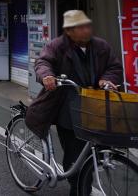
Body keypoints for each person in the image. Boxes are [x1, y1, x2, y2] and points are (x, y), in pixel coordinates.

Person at [25, 10, 123, 196]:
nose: (86, 30)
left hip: (94, 104)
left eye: (88, 26)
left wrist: (106, 79)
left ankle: (85, 176)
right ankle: (77, 187)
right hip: (66, 104)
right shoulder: (57, 46)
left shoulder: (101, 46)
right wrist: (47, 76)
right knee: (74, 150)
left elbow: (114, 66)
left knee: (98, 145)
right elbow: (43, 61)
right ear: (69, 31)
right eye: (81, 27)